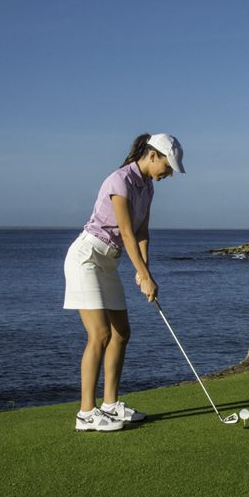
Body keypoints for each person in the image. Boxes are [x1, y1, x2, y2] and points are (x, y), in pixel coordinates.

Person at [63, 133, 185, 432]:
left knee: (122, 333)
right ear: (153, 155)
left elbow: (142, 233)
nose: (168, 174)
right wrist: (141, 273)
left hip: (110, 261)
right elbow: (127, 232)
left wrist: (146, 272)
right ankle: (85, 413)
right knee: (100, 334)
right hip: (87, 257)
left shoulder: (147, 188)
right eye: (167, 167)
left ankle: (110, 404)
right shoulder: (120, 181)